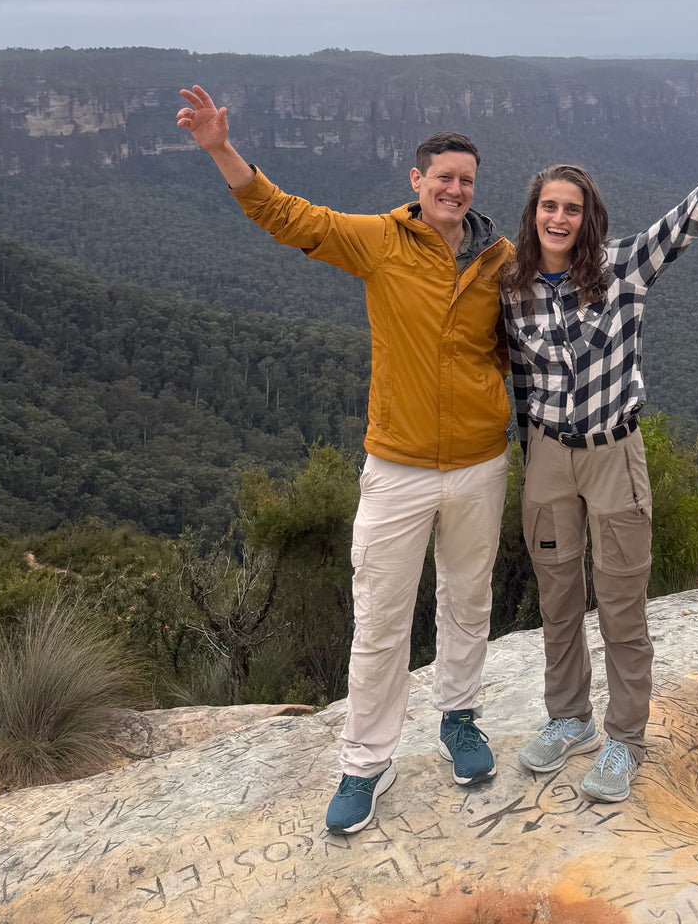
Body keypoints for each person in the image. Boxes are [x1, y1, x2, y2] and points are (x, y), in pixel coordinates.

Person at [176, 85, 514, 835]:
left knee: (468, 600)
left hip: (480, 463)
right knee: (382, 619)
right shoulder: (379, 240)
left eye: (466, 180)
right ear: (416, 182)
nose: (455, 189)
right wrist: (222, 149)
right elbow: (287, 216)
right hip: (396, 466)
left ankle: (459, 720)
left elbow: (545, 318)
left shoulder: (499, 258)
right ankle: (366, 761)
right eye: (442, 178)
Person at [503, 82, 698, 802]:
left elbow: (689, 218)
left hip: (613, 455)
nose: (559, 217)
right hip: (546, 457)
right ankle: (569, 718)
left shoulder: (626, 268)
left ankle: (625, 738)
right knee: (558, 597)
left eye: (571, 207)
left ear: (588, 217)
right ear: (533, 216)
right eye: (549, 207)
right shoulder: (511, 288)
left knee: (623, 604)